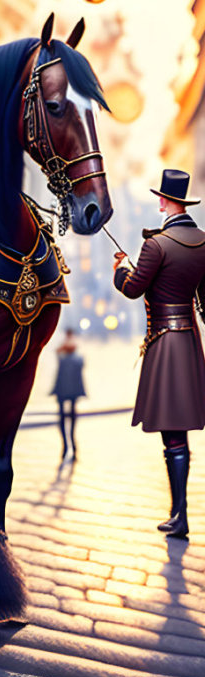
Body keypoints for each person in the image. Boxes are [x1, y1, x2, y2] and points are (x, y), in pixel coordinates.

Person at [113, 168, 205, 540]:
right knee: (177, 431)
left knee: (172, 433)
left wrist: (120, 268)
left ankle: (180, 516)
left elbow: (133, 289)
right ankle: (177, 512)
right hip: (189, 342)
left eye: (161, 198)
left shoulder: (155, 245)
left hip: (164, 342)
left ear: (166, 201)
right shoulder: (203, 242)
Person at [50, 328, 85, 460]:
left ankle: (69, 445)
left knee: (65, 417)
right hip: (68, 390)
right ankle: (69, 445)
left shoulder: (69, 357)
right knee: (67, 417)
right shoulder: (69, 356)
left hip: (66, 390)